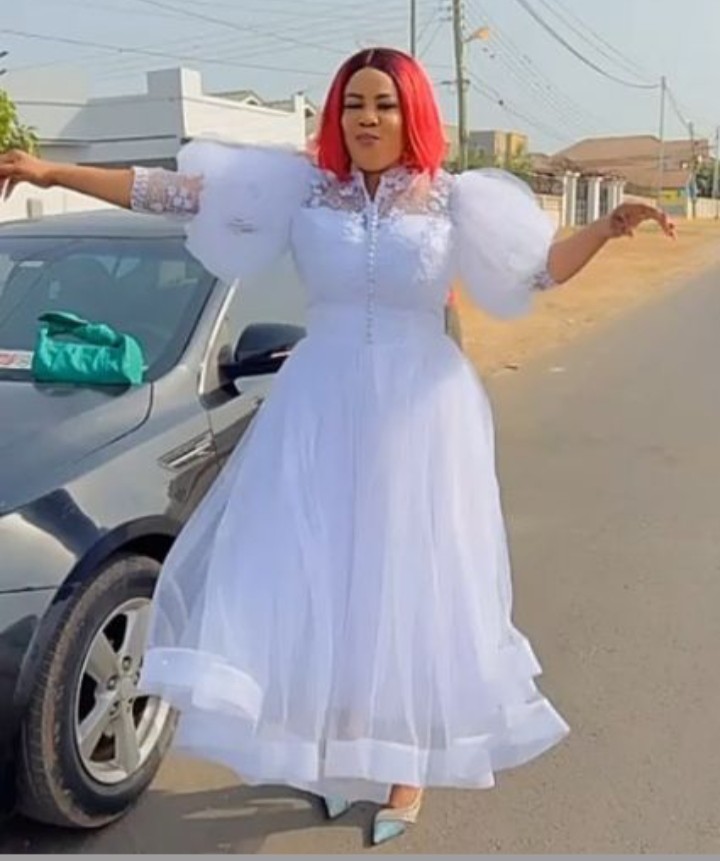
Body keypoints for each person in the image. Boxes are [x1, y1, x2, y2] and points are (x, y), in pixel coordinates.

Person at [0, 47, 675, 846]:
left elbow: (537, 275)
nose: (366, 118)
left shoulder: (456, 198)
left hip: (421, 417)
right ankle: (336, 751)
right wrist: (50, 172)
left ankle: (405, 766)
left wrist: (605, 227)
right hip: (319, 406)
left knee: (411, 583)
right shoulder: (301, 187)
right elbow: (171, 193)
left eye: (384, 103)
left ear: (412, 113)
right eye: (353, 103)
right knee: (325, 578)